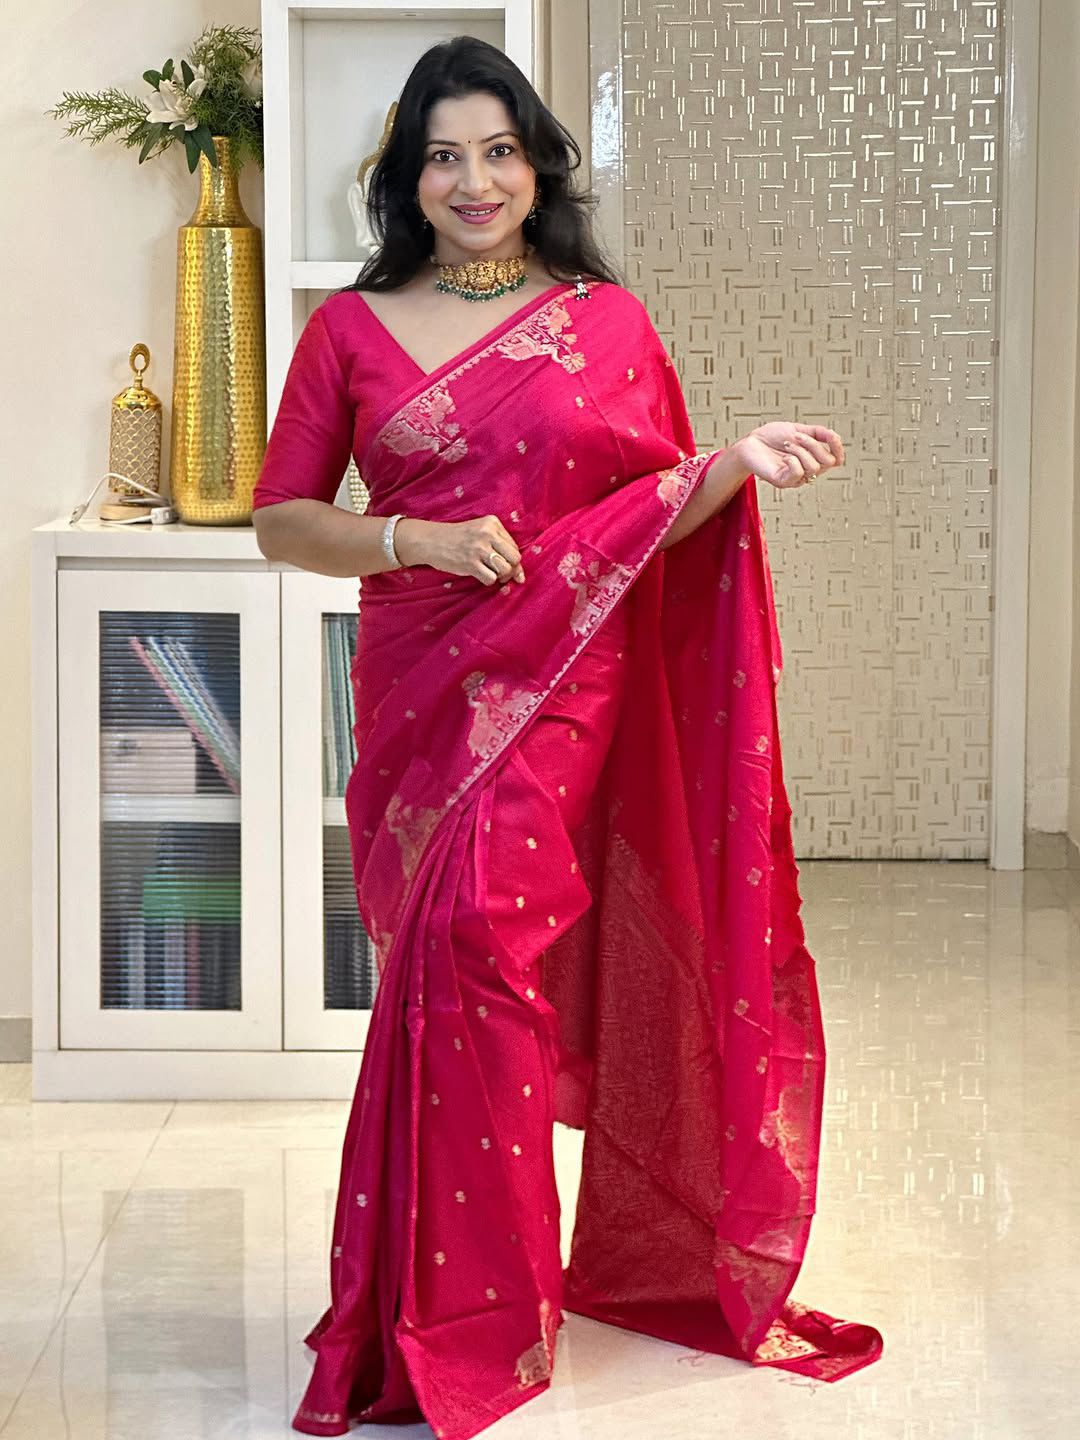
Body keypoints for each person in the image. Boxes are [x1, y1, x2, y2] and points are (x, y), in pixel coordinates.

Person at [252, 34, 882, 1440]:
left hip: (562, 682)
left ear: (537, 166)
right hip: (418, 687)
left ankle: (481, 1315)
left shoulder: (606, 322)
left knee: (482, 938)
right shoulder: (350, 331)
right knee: (444, 967)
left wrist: (733, 462)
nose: (473, 181)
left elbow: (647, 512)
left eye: (498, 151)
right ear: (406, 178)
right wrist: (410, 536)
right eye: (442, 156)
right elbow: (283, 518)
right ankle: (454, 1300)